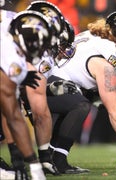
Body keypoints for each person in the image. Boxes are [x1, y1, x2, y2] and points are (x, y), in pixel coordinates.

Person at [47, 10, 116, 173]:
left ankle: (49, 156)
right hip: (52, 87)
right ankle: (57, 159)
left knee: (80, 99)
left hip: (47, 83)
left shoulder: (92, 37)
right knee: (80, 105)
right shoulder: (107, 61)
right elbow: (115, 110)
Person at [1, 10, 54, 180]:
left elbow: (13, 115)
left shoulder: (14, 56)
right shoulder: (11, 57)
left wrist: (31, 162)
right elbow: (12, 115)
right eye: (38, 44)